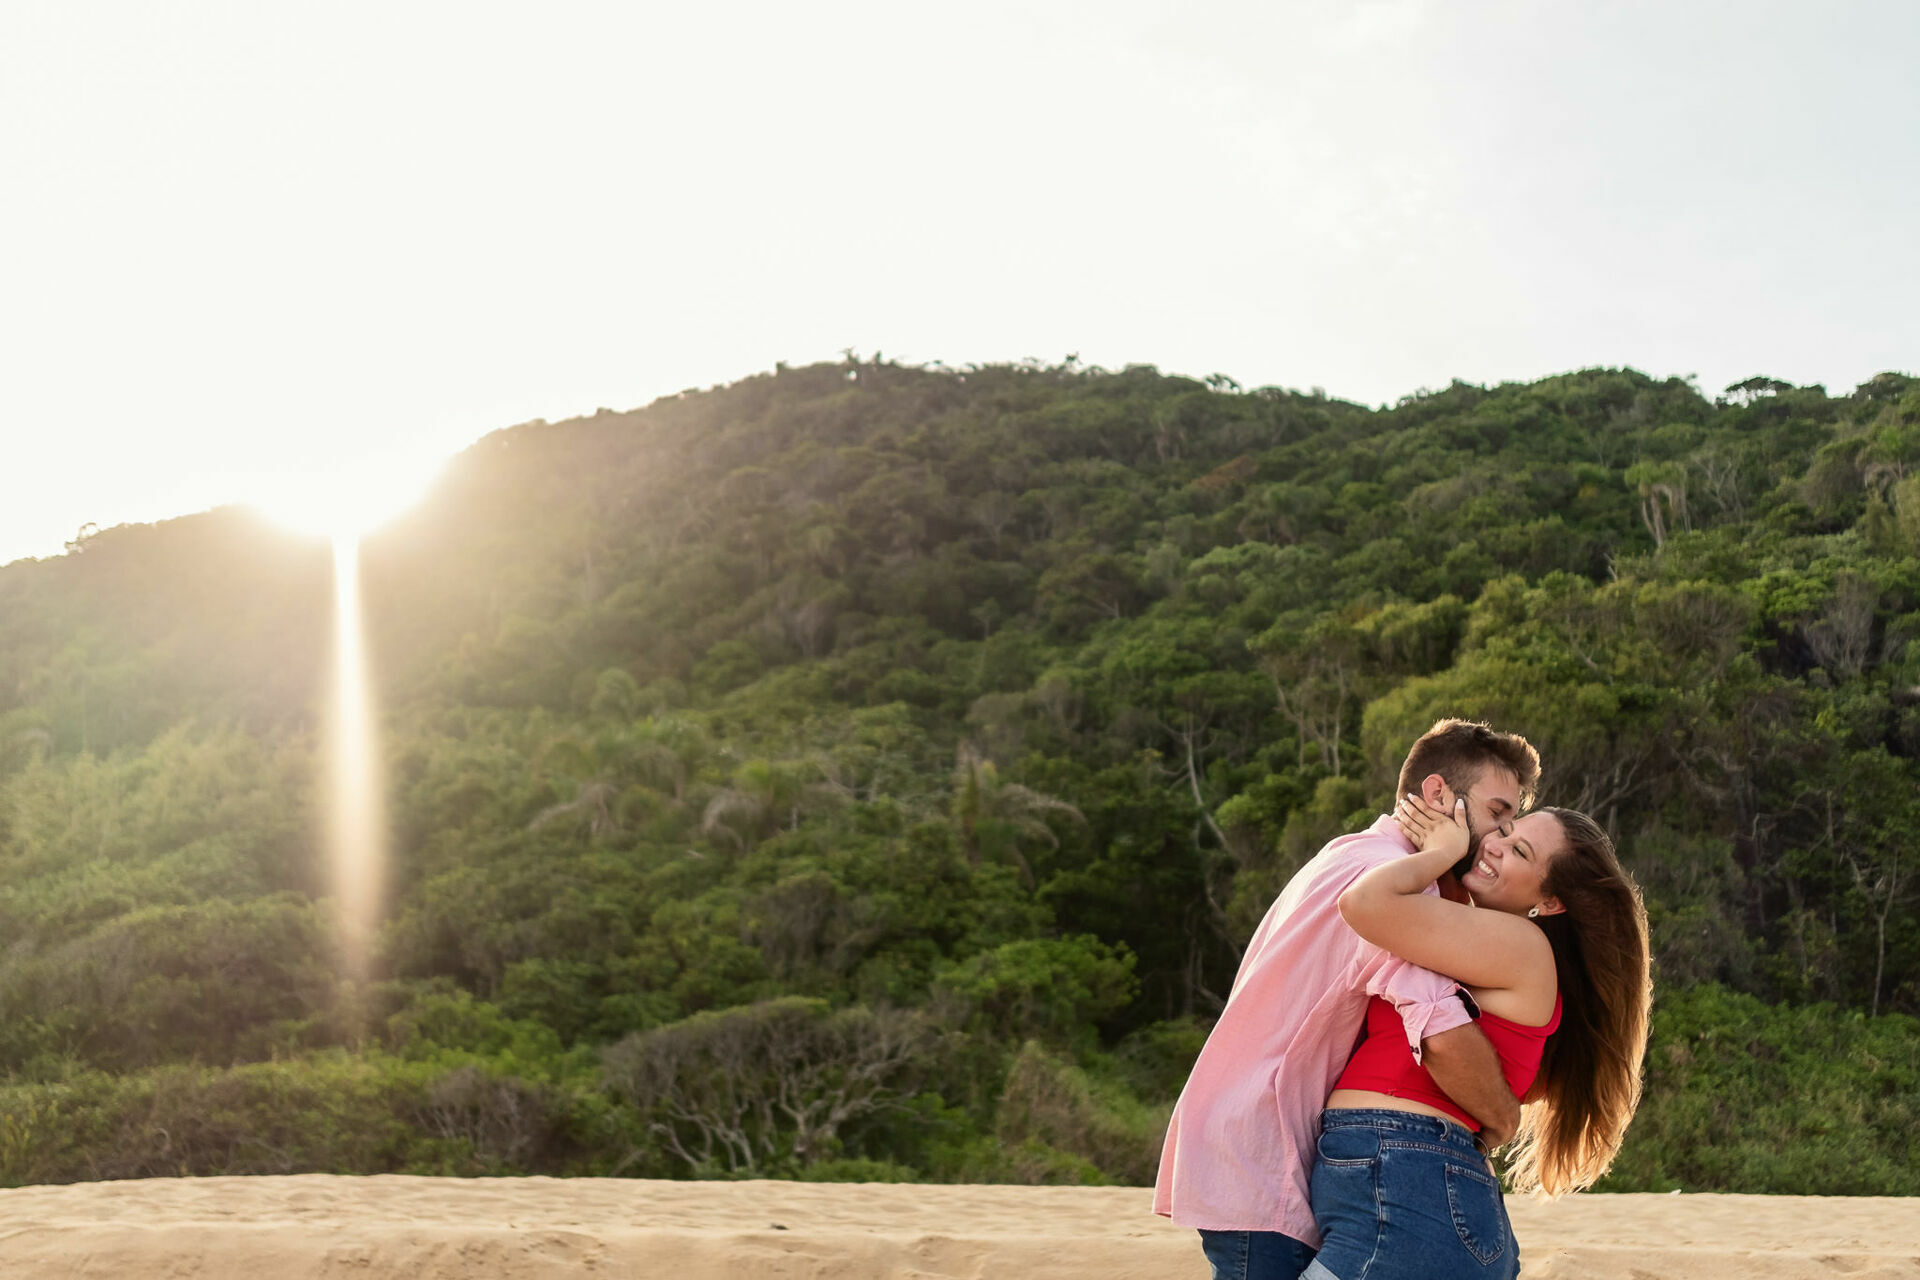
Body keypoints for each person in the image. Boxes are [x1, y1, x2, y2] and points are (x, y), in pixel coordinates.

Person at [1154, 719, 1543, 1280]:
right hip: (1266, 1157)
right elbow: (1439, 1032)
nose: (1500, 838)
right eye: (1498, 813)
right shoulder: (1387, 884)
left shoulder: (1345, 855)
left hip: (1243, 1145)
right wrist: (1503, 1120)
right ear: (1438, 796)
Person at [1304, 788, 1653, 1280]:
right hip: (1409, 1179)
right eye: (1506, 831)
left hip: (1408, 1172)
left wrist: (1441, 852)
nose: (1496, 845)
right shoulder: (1466, 934)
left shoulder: (1524, 947)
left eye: (1520, 853)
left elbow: (1365, 903)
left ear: (1549, 902)